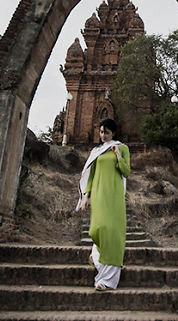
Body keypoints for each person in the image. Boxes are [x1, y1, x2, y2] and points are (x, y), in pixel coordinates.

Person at [75, 118, 130, 291]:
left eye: (106, 132)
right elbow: (90, 176)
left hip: (114, 195)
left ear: (113, 132)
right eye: (100, 132)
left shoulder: (122, 148)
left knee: (112, 234)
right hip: (98, 194)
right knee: (95, 229)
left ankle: (106, 281)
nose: (102, 135)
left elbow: (126, 171)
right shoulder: (96, 151)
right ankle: (96, 255)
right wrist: (85, 196)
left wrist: (118, 156)